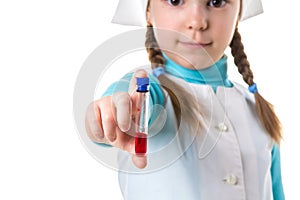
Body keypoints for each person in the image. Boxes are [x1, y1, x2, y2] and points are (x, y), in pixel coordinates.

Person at [85, 0, 285, 199]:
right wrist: (111, 115)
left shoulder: (256, 109)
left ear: (239, 11)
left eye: (217, 2)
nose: (197, 21)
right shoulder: (150, 93)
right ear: (147, 10)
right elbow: (128, 100)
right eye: (175, 1)